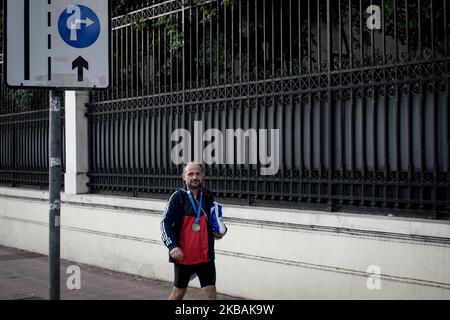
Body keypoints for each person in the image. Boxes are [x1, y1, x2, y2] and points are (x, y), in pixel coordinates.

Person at [160, 162, 226, 300]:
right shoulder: (178, 197)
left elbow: (216, 220)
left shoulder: (208, 196)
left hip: (205, 256)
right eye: (190, 174)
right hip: (184, 256)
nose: (194, 177)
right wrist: (172, 245)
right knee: (178, 293)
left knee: (211, 293)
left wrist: (220, 232)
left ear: (202, 176)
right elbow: (165, 223)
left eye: (197, 173)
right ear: (184, 176)